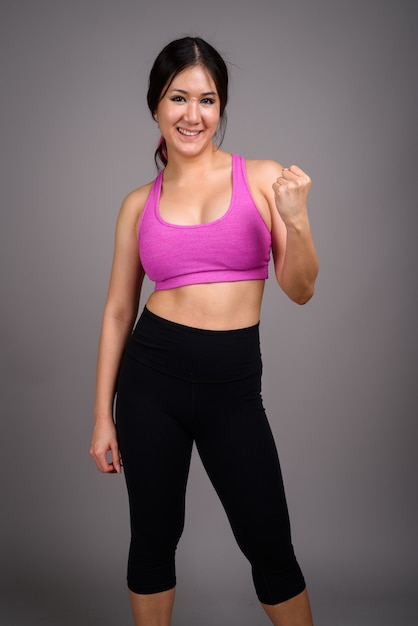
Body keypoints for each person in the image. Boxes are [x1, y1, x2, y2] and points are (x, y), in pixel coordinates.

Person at [90, 36, 319, 626]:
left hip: (233, 388)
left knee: (269, 543)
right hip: (151, 384)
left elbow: (300, 288)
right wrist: (100, 416)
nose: (193, 115)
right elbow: (119, 310)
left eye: (208, 100)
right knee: (152, 541)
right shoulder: (137, 205)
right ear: (156, 106)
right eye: (178, 98)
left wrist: (295, 219)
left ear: (221, 109)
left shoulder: (263, 178)